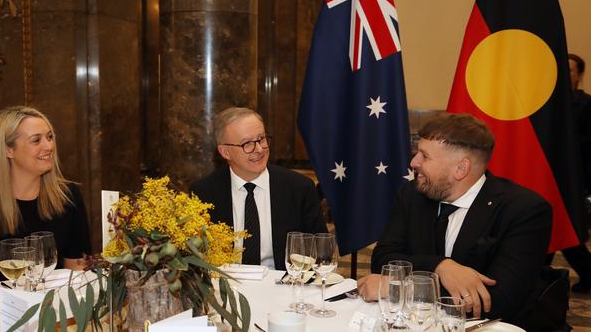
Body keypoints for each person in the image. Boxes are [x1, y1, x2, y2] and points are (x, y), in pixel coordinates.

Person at [357, 113, 552, 326]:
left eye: (425, 156)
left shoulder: (524, 210)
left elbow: (498, 301)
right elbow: (383, 260)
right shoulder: (411, 195)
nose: (414, 162)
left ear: (461, 169)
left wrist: (400, 287)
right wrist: (440, 267)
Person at [0, 106, 92, 287]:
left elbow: (76, 269)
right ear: (9, 150)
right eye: (36, 140)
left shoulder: (68, 196)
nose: (49, 146)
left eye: (49, 137)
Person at [190, 107, 327, 270]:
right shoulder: (204, 193)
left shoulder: (299, 188)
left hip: (284, 287)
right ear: (225, 152)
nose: (259, 149)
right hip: (227, 287)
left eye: (261, 139)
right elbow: (195, 257)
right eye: (247, 143)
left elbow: (320, 251)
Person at [557, 53, 591, 293]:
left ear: (579, 75)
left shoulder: (586, 104)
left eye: (570, 70)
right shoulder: (550, 103)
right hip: (552, 176)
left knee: (568, 232)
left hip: (575, 178)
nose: (566, 73)